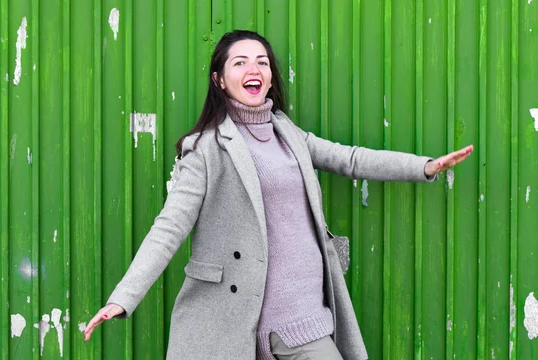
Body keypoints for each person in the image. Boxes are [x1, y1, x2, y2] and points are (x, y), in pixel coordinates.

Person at [83, 30, 473, 360]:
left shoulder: (287, 132)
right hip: (243, 319)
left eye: (262, 62)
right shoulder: (204, 148)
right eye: (239, 62)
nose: (254, 69)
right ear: (219, 79)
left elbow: (350, 159)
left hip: (306, 316)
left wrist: (424, 167)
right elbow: (169, 228)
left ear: (270, 76)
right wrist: (123, 298)